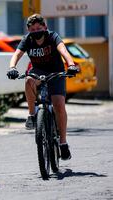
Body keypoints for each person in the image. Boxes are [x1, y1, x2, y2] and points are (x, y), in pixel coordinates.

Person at [7, 14, 79, 160]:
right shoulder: (27, 40)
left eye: (39, 28)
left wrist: (71, 65)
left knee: (59, 105)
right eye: (32, 29)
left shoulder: (52, 37)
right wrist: (12, 67)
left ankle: (63, 143)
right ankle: (32, 115)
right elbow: (16, 55)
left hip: (56, 72)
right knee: (28, 80)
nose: (36, 31)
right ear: (28, 30)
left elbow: (63, 51)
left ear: (45, 27)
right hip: (38, 71)